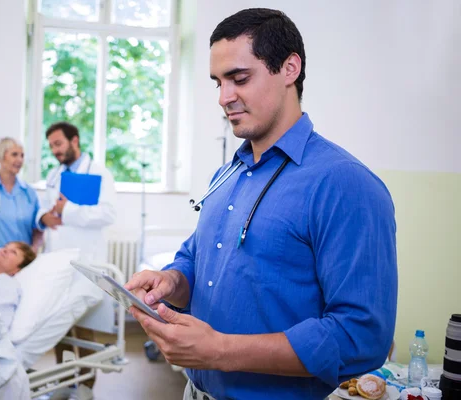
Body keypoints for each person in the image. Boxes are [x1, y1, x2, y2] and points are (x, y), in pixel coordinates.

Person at [125, 8, 397, 400]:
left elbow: (362, 336)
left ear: (289, 69)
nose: (224, 98)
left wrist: (220, 351)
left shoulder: (344, 185)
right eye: (217, 82)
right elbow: (196, 259)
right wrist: (172, 281)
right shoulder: (226, 176)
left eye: (239, 79)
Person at [37, 121, 117, 398]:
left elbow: (107, 214)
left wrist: (67, 210)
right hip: (57, 259)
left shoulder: (98, 173)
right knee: (58, 324)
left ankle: (85, 386)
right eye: (51, 147)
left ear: (74, 141)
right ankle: (62, 382)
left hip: (86, 260)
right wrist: (43, 217)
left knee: (83, 327)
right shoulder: (54, 174)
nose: (56, 151)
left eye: (59, 144)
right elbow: (45, 209)